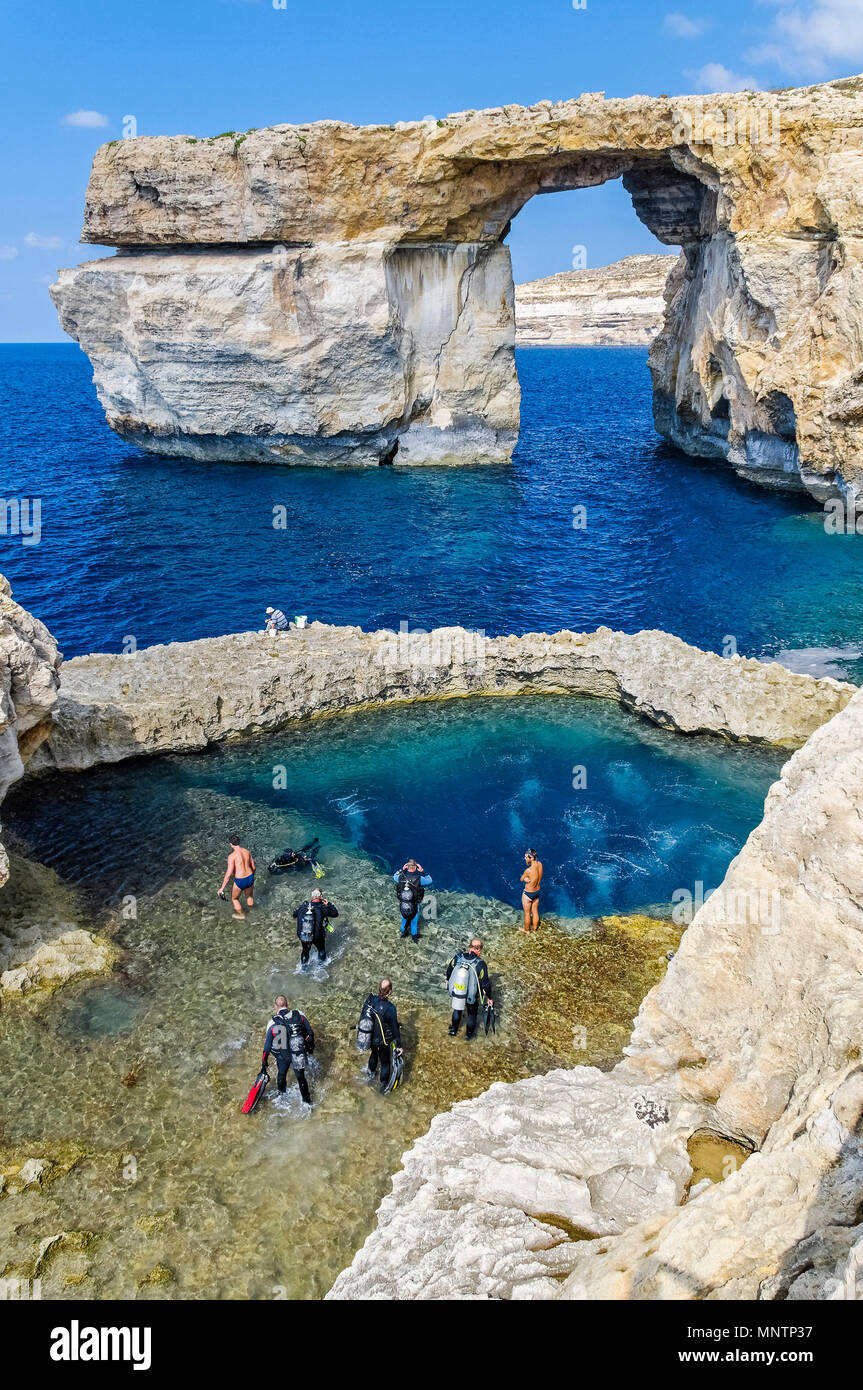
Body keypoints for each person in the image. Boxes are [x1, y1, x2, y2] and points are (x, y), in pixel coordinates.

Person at [261, 995, 315, 1104]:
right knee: (301, 1078)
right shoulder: (299, 1015)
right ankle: (308, 1103)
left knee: (281, 1074)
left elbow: (266, 1048)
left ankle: (282, 1098)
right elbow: (310, 1033)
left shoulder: (272, 1023)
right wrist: (310, 1049)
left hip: (283, 1055)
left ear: (275, 1006)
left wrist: (264, 1064)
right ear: (287, 1004)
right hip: (297, 1052)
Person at [446, 938, 493, 1039]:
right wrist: (490, 998)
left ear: (469, 948)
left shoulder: (458, 957)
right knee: (471, 1014)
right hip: (472, 995)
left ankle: (454, 1030)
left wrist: (447, 982)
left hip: (459, 991)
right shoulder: (480, 964)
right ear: (479, 950)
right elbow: (486, 984)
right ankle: (468, 1035)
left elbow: (449, 971)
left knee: (457, 1010)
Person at [366, 979, 403, 1093]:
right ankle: (382, 1086)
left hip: (371, 1038)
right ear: (389, 992)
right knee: (385, 1062)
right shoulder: (390, 1008)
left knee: (373, 1055)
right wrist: (399, 1045)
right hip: (383, 1042)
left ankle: (370, 1075)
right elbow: (395, 1029)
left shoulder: (372, 1001)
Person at [294, 887, 339, 966]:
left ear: (312, 896)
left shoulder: (303, 907)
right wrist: (329, 904)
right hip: (317, 937)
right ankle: (321, 967)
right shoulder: (322, 908)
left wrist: (299, 908)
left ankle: (303, 969)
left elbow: (294, 915)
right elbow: (335, 914)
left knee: (305, 951)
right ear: (321, 896)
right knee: (321, 950)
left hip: (303, 934)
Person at [393, 858, 433, 940]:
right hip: (414, 906)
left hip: (403, 905)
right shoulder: (420, 879)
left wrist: (402, 870)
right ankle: (414, 937)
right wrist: (422, 871)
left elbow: (394, 876)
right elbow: (430, 880)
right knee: (413, 922)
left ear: (407, 867)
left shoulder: (399, 877)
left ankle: (403, 933)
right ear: (415, 868)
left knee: (404, 920)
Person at [218, 836, 256, 920]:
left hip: (240, 880)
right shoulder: (247, 852)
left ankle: (241, 914)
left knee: (235, 899)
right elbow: (253, 867)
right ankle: (252, 912)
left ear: (230, 844)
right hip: (250, 877)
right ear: (239, 842)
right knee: (249, 897)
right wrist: (252, 878)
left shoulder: (232, 856)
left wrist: (222, 888)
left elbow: (228, 874)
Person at [520, 848, 543, 932]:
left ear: (532, 858)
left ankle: (526, 931)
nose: (525, 859)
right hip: (537, 892)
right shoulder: (540, 864)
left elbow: (521, 879)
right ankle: (534, 929)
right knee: (535, 911)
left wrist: (525, 878)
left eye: (526, 857)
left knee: (527, 914)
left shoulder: (528, 870)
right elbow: (538, 875)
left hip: (528, 894)